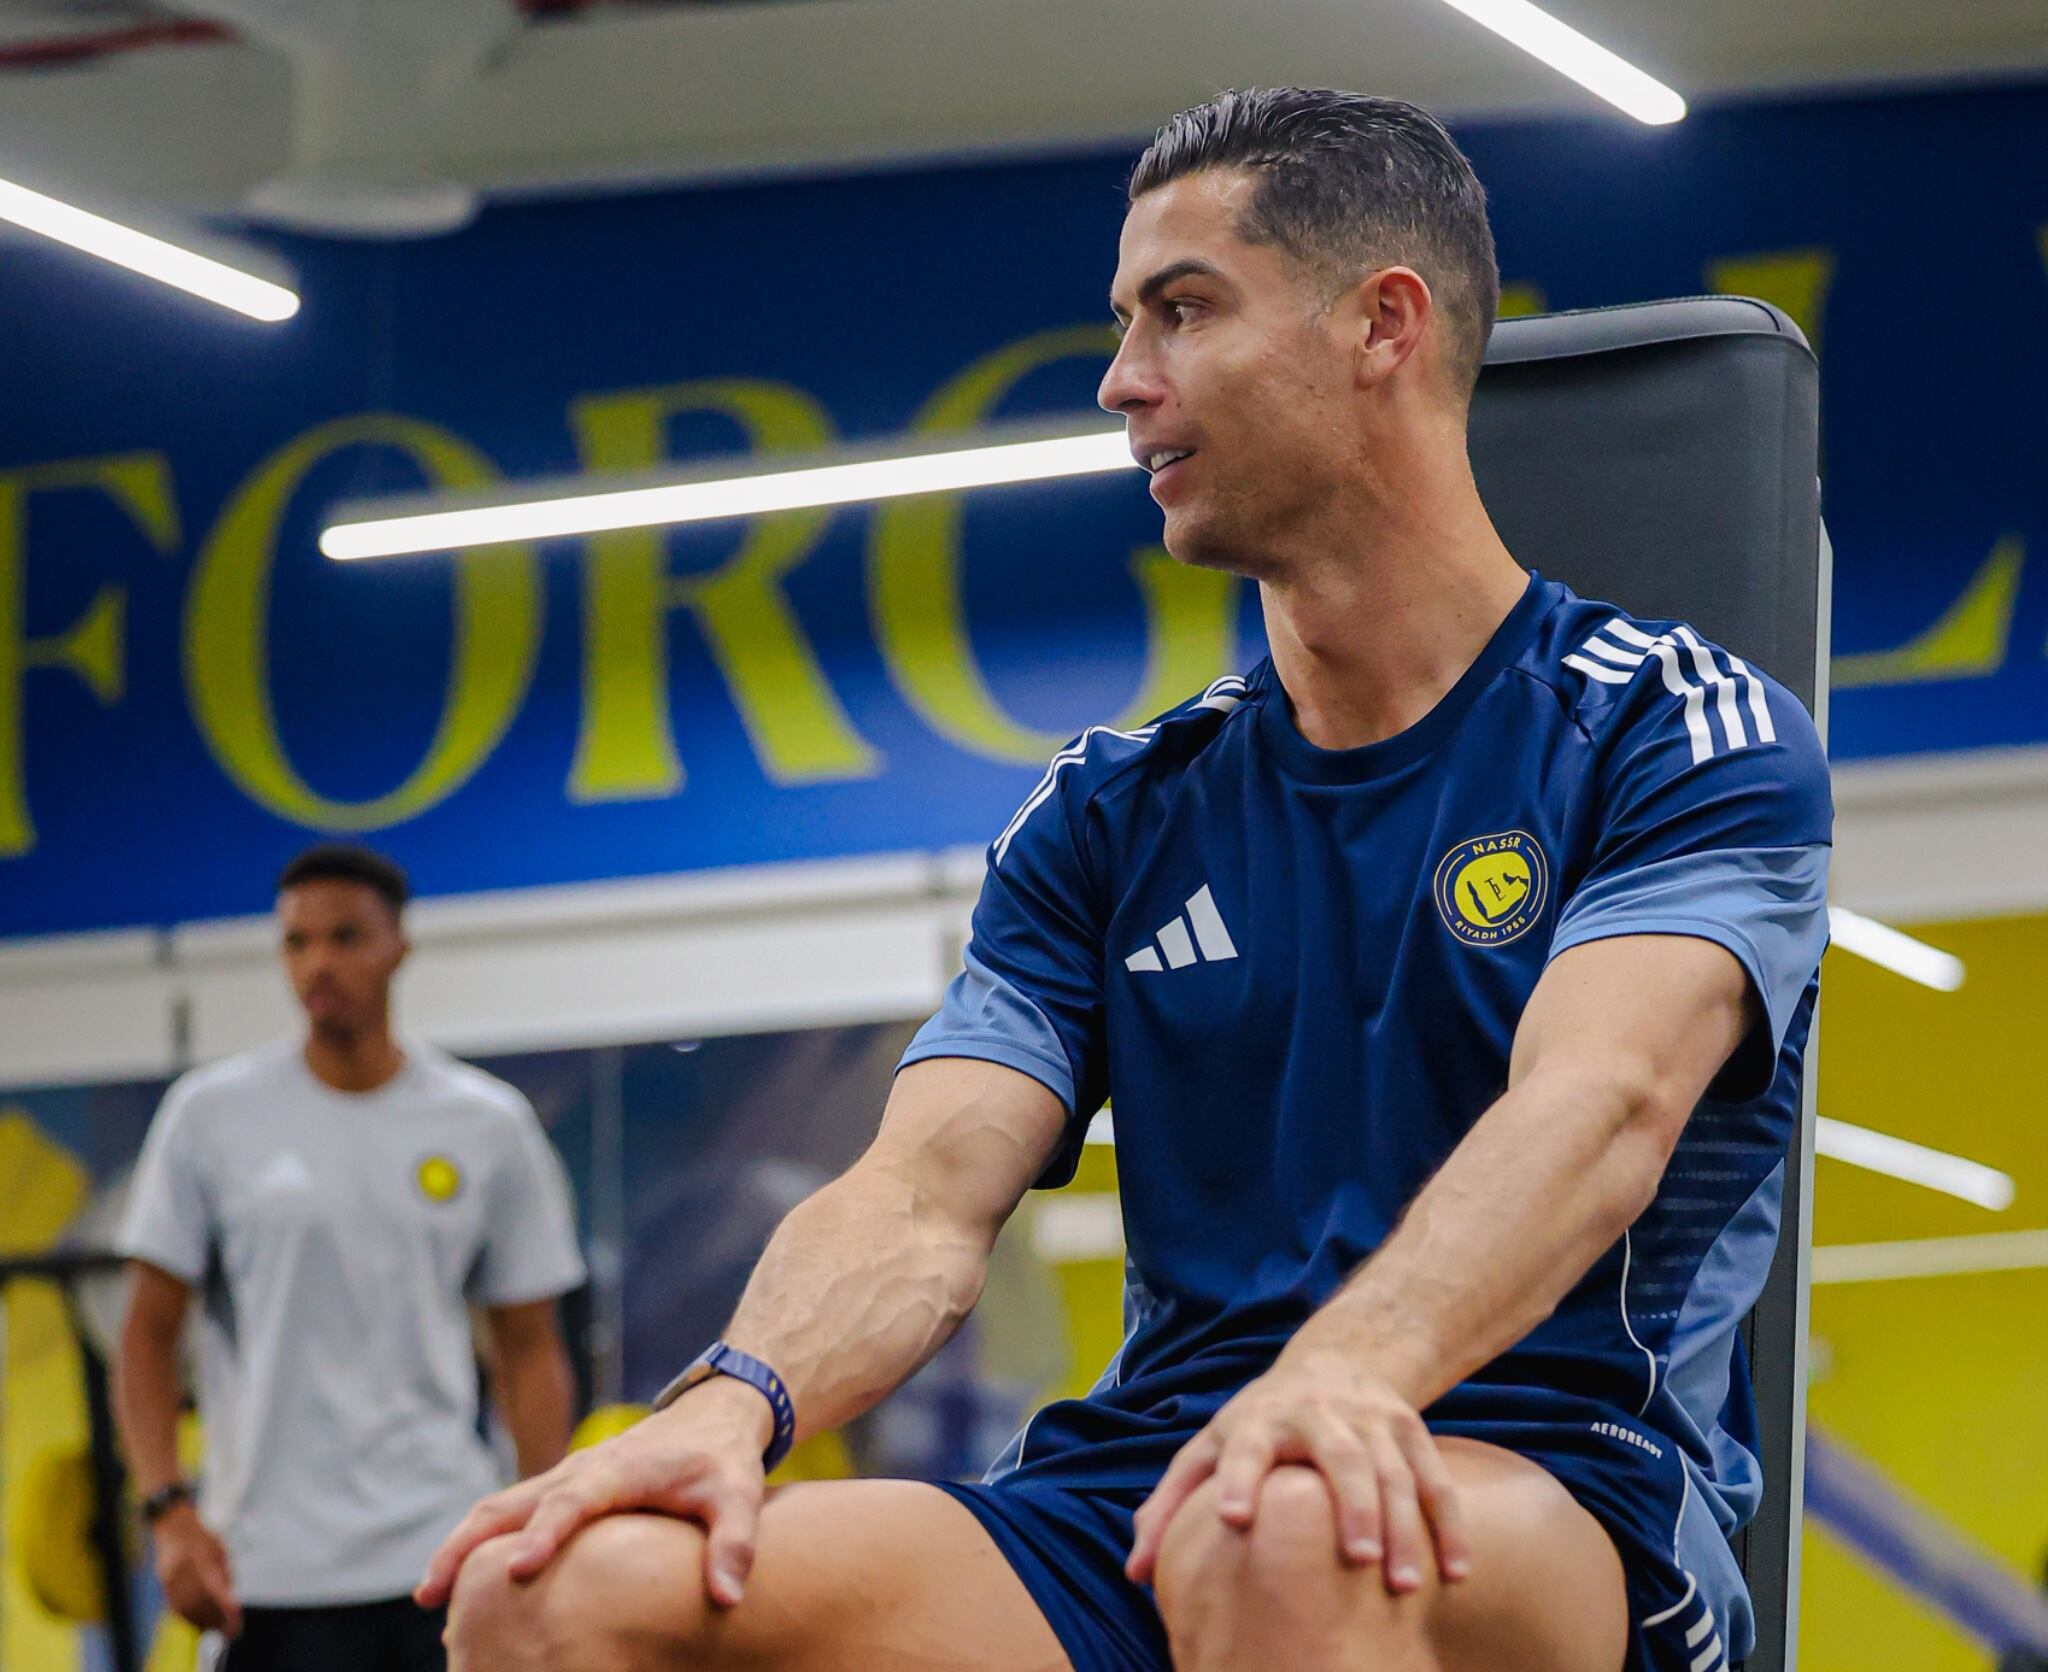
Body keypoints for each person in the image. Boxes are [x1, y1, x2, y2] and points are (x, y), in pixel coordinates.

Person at [419, 88, 1832, 1672]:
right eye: (1125, 322)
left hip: (1554, 1486)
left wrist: (1345, 1371)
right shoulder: (1115, 811)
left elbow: (1601, 1106)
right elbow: (921, 1192)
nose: (1122, 380)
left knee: (1285, 1527)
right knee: (557, 1589)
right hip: (1162, 1490)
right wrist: (734, 1402)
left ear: (1383, 325)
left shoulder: (1670, 727)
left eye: (1185, 310)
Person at [117, 843, 587, 1670]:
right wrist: (167, 1510)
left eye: (345, 937)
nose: (318, 965)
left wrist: (538, 1516)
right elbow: (147, 1334)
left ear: (398, 946)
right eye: (297, 942)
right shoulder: (209, 1118)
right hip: (267, 1569)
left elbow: (529, 1345)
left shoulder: (487, 1125)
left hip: (439, 1552)